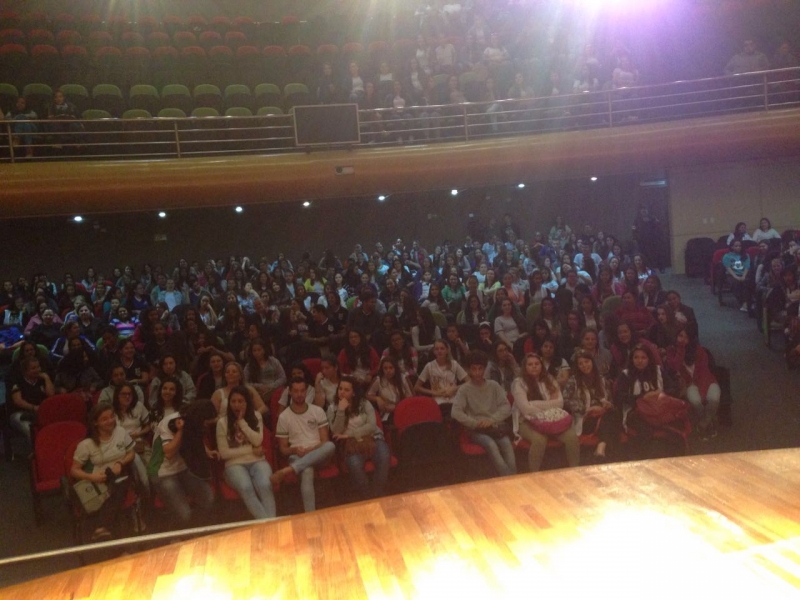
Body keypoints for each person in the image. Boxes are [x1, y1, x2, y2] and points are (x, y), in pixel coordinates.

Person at [148, 377, 215, 526]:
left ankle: (195, 528)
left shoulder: (192, 421)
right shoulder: (169, 422)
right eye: (204, 422)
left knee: (208, 499)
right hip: (162, 472)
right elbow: (168, 453)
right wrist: (180, 431)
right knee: (184, 515)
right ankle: (177, 529)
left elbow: (195, 441)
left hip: (181, 468)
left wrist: (207, 451)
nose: (205, 425)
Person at [71, 403, 137, 540]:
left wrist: (120, 462)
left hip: (119, 474)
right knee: (118, 493)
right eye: (104, 419)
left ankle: (101, 527)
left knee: (120, 485)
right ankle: (110, 534)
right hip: (98, 480)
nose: (110, 421)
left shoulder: (120, 432)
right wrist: (92, 477)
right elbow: (74, 470)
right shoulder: (87, 444)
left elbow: (131, 453)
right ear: (95, 423)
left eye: (112, 416)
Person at [271, 377, 337, 512]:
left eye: (302, 391)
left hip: (318, 453)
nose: (299, 394)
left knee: (330, 446)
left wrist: (310, 450)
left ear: (306, 391)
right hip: (297, 455)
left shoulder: (317, 411)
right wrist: (295, 449)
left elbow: (324, 441)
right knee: (307, 470)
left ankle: (288, 470)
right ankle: (310, 514)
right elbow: (283, 449)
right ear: (290, 392)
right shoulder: (284, 416)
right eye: (296, 391)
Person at [452, 350, 516, 477]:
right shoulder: (464, 389)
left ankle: (512, 477)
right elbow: (455, 412)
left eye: (480, 369)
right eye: (473, 369)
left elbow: (506, 407)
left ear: (485, 369)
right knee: (490, 444)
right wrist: (474, 423)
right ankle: (510, 479)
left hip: (494, 426)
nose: (477, 373)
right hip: (476, 429)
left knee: (506, 443)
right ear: (468, 370)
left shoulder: (494, 385)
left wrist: (492, 420)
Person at [511, 353, 580, 471]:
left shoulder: (550, 379)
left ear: (541, 365)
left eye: (537, 364)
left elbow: (560, 403)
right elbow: (526, 409)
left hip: (552, 419)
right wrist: (549, 405)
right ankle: (533, 474)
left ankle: (575, 471)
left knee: (572, 437)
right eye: (530, 364)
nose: (534, 366)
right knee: (540, 440)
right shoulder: (518, 383)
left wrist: (533, 403)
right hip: (527, 421)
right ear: (525, 367)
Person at [216, 385, 276, 519]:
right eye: (233, 401)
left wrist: (242, 422)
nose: (236, 405)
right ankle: (270, 523)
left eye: (240, 401)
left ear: (247, 402)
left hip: (257, 461)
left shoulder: (256, 416)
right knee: (246, 487)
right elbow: (224, 453)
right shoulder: (222, 422)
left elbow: (257, 441)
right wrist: (251, 450)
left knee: (265, 485)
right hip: (234, 465)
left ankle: (270, 523)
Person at [328, 376, 391, 498]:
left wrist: (349, 434)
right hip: (350, 445)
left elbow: (371, 426)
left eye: (346, 390)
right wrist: (340, 411)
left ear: (353, 393)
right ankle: (367, 497)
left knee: (384, 456)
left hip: (372, 438)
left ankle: (376, 494)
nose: (342, 392)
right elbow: (335, 431)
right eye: (340, 389)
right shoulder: (332, 408)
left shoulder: (364, 403)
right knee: (355, 464)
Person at [564, 350, 620, 461]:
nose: (584, 365)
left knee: (612, 415)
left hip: (603, 415)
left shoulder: (602, 379)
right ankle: (603, 450)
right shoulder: (573, 381)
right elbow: (565, 400)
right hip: (585, 418)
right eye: (581, 363)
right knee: (611, 420)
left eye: (587, 361)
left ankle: (601, 449)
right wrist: (587, 409)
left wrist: (607, 404)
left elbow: (610, 401)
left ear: (592, 362)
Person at [665, 326, 720, 439]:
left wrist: (703, 392)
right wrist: (681, 349)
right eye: (680, 336)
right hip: (688, 383)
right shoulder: (671, 351)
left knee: (713, 399)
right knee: (696, 402)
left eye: (686, 337)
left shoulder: (699, 350)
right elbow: (675, 367)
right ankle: (709, 423)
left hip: (707, 380)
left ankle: (703, 424)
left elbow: (704, 372)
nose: (683, 339)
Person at [414, 339, 468, 413]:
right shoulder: (429, 366)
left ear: (447, 350)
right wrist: (434, 392)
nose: (439, 351)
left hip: (454, 400)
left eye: (442, 348)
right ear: (434, 351)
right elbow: (417, 387)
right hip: (438, 401)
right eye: (437, 349)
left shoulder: (454, 364)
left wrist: (455, 388)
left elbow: (469, 381)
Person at [9, 357, 54, 442]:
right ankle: (36, 447)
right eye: (33, 368)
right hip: (21, 413)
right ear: (25, 371)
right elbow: (18, 401)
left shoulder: (41, 380)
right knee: (30, 429)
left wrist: (46, 378)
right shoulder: (18, 381)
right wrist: (33, 407)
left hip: (41, 411)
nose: (38, 370)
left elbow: (51, 394)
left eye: (38, 367)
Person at [366, 356, 413, 422]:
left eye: (391, 368)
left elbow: (411, 398)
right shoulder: (378, 380)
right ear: (382, 369)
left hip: (403, 410)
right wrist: (377, 398)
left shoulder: (403, 379)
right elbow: (367, 395)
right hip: (386, 413)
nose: (388, 370)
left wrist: (397, 407)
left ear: (395, 368)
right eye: (385, 368)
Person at [722, 239, 751, 311]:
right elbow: (728, 268)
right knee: (736, 283)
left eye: (740, 246)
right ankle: (743, 303)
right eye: (736, 246)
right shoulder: (727, 256)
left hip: (743, 273)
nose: (738, 247)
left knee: (748, 283)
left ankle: (748, 302)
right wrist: (736, 277)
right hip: (732, 275)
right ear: (732, 247)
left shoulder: (746, 255)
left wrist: (743, 276)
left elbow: (747, 267)